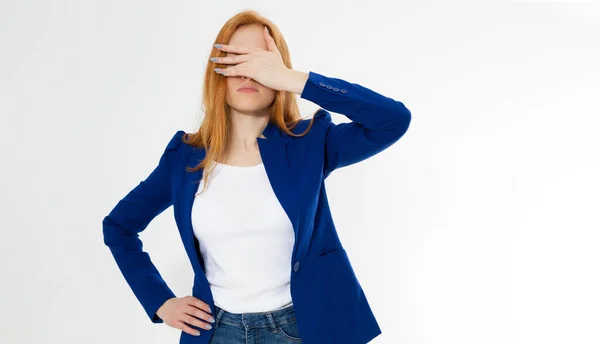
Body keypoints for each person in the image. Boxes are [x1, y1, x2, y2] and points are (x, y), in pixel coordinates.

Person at [102, 10, 411, 344]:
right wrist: (159, 302)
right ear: (216, 74)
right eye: (235, 61)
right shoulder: (185, 158)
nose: (248, 73)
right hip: (215, 330)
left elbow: (392, 120)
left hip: (302, 329)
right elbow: (119, 226)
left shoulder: (311, 144)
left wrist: (295, 80)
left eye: (260, 62)